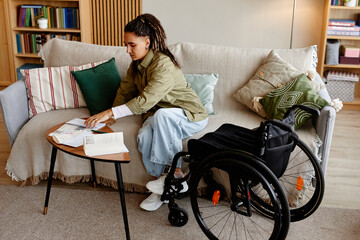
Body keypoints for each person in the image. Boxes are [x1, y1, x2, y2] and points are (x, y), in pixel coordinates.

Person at [84, 13, 208, 211]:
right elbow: (125, 90)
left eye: (132, 45)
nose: (127, 50)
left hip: (189, 116)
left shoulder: (163, 64)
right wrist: (109, 117)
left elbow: (146, 100)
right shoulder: (136, 66)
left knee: (162, 115)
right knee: (143, 136)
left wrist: (111, 113)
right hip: (161, 117)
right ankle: (161, 187)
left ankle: (174, 175)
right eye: (126, 44)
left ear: (147, 42)